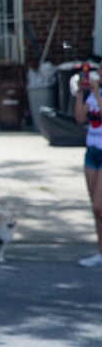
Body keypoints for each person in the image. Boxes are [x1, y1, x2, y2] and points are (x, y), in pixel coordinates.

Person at [74, 67, 102, 267]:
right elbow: (80, 118)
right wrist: (80, 93)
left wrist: (96, 93)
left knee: (99, 205)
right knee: (97, 209)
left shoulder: (97, 94)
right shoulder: (93, 95)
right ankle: (100, 251)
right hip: (91, 151)